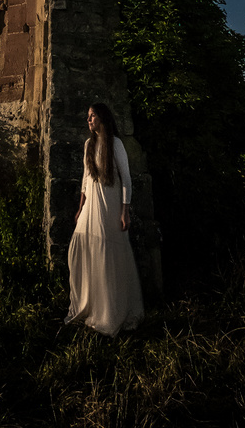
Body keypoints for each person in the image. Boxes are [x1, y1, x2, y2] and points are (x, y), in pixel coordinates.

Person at [65, 102, 144, 337]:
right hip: (91, 204)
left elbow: (126, 179)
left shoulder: (115, 144)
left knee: (109, 252)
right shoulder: (89, 144)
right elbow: (85, 179)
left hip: (109, 202)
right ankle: (90, 303)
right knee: (81, 248)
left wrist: (125, 211)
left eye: (92, 116)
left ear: (103, 118)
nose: (89, 120)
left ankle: (111, 310)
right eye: (88, 116)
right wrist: (81, 208)